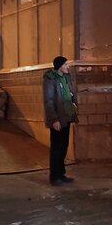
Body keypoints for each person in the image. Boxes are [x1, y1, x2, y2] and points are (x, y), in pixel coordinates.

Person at [42, 55, 77, 186]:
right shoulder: (50, 79)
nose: (68, 67)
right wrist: (54, 119)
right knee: (56, 147)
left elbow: (70, 93)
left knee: (64, 146)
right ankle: (54, 176)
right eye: (65, 65)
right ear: (59, 66)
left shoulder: (66, 77)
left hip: (67, 116)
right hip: (58, 118)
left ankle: (61, 174)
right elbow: (48, 101)